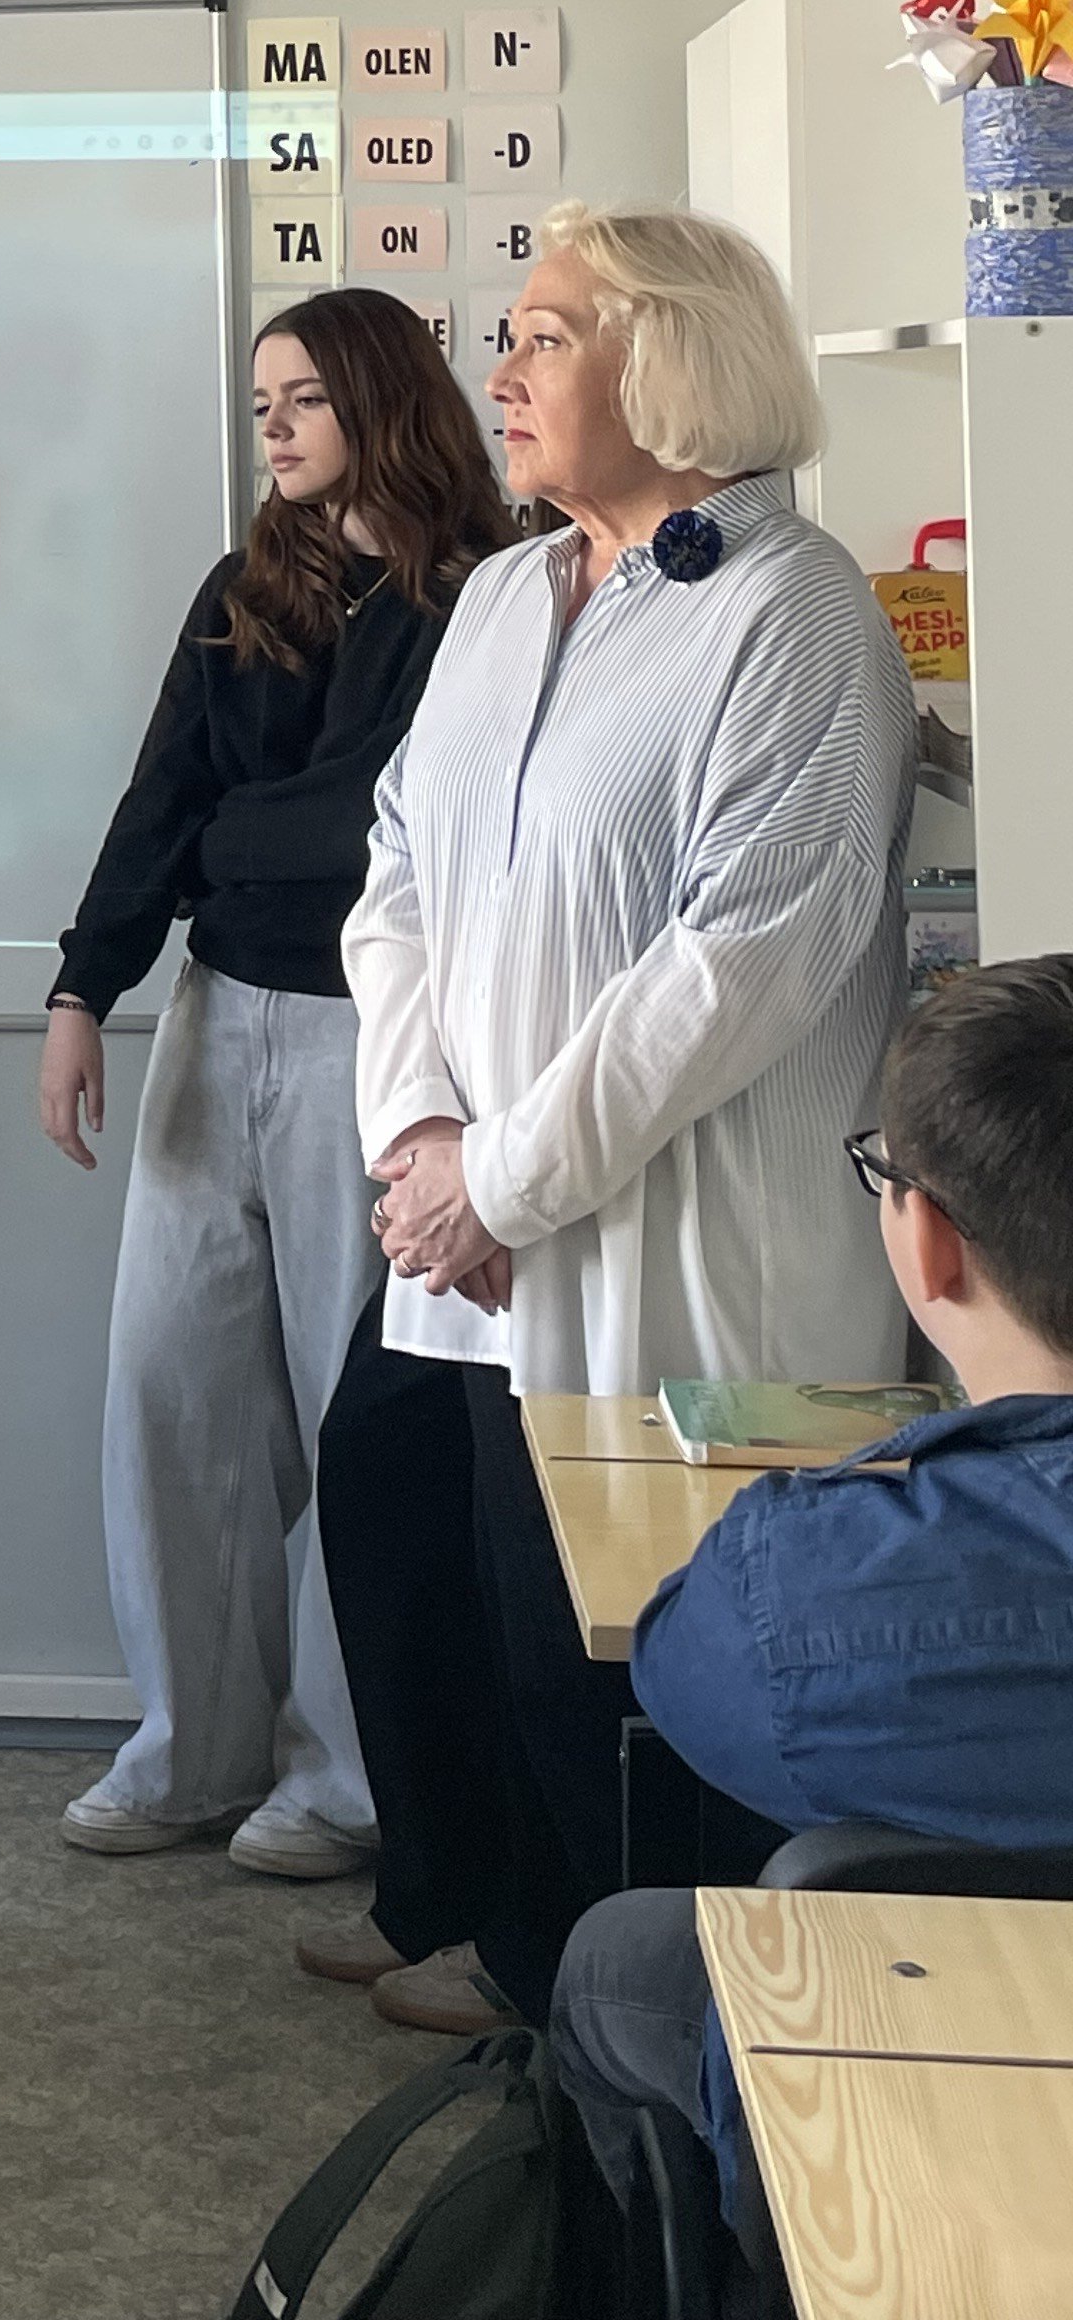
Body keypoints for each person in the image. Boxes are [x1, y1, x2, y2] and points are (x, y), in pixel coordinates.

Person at [316, 203, 914, 2039]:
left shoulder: (791, 610)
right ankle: (526, 1957)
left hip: (675, 1276)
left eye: (543, 335)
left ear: (672, 362)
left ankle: (634, 2050)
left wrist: (496, 1179)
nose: (495, 371)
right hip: (478, 1237)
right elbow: (398, 872)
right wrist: (420, 1133)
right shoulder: (510, 595)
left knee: (645, 1702)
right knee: (480, 1613)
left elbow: (736, 965)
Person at [45, 291, 511, 1878]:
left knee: (347, 1411)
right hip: (214, 1010)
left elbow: (379, 825)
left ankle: (341, 1782)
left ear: (380, 399)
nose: (277, 428)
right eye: (263, 405)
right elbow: (164, 798)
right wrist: (80, 990)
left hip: (376, 1038)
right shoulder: (243, 589)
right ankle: (188, 1751)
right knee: (170, 1394)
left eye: (304, 397)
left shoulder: (492, 594)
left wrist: (242, 841)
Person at [550, 955, 1073, 2301]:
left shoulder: (810, 1585)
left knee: (618, 1960)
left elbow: (683, 1672)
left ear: (925, 1239)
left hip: (942, 2124)